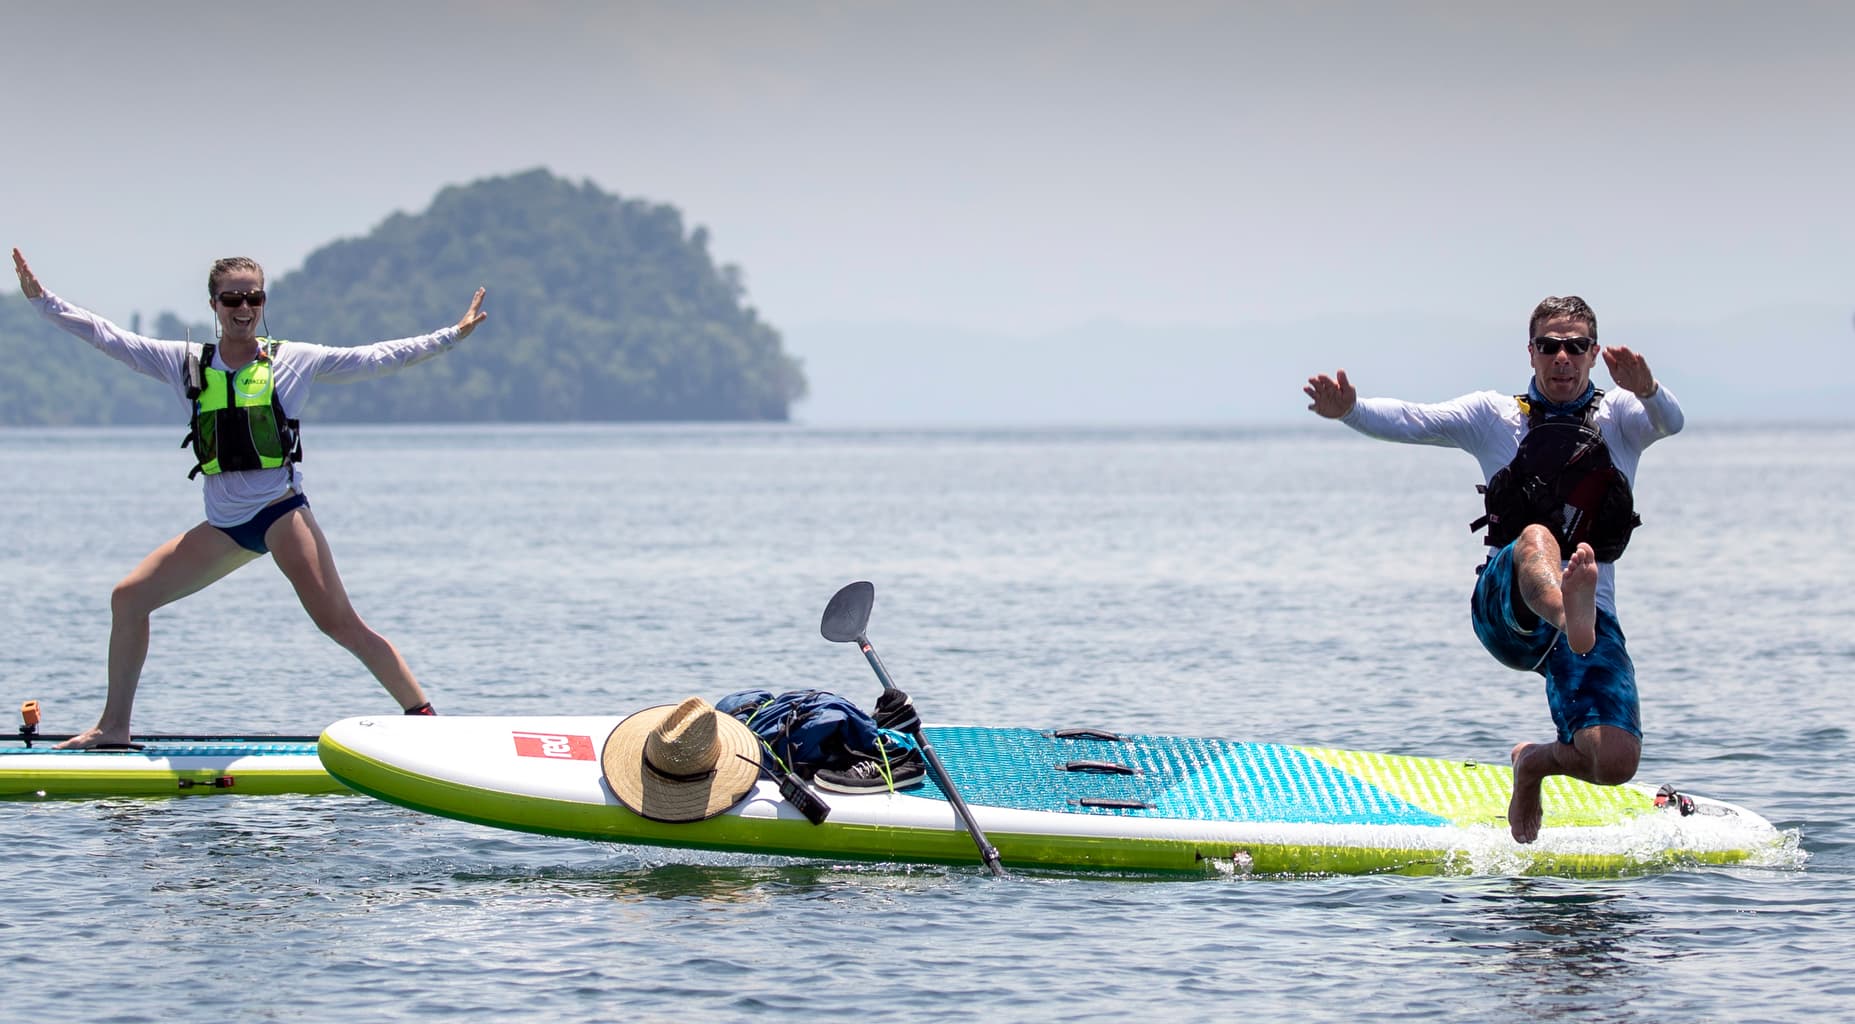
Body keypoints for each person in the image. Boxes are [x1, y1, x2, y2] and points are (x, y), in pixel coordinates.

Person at [11, 247, 487, 749]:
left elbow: (374, 357)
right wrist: (43, 301)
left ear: (263, 302)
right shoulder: (185, 363)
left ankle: (426, 721)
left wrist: (450, 337)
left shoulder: (292, 360)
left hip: (281, 514)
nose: (243, 308)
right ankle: (113, 728)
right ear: (213, 304)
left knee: (339, 623)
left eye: (253, 298)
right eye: (232, 298)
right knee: (129, 599)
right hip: (224, 526)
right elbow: (109, 337)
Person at [1303, 295, 1683, 843]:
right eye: (1550, 346)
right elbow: (1414, 420)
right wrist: (1352, 411)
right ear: (1531, 352)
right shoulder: (1494, 416)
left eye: (1575, 347)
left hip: (1587, 620)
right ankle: (1564, 611)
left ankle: (1532, 764)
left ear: (1594, 354)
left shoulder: (1621, 416)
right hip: (1506, 609)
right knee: (1536, 536)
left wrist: (1647, 388)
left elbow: (1670, 421)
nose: (1562, 358)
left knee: (1614, 763)